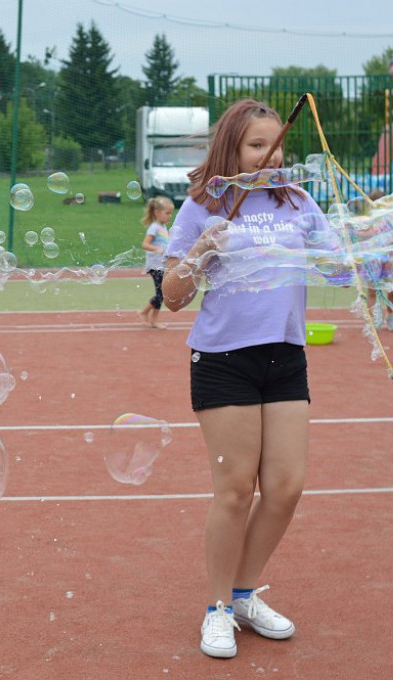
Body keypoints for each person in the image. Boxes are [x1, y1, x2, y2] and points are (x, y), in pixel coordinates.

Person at [161, 99, 327, 659]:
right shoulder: (202, 205)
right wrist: (203, 248)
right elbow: (173, 297)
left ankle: (243, 593)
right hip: (225, 360)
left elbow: (340, 262)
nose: (271, 155)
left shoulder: (299, 201)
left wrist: (371, 241)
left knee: (285, 488)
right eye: (258, 145)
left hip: (286, 357)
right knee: (235, 492)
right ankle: (217, 610)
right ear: (231, 147)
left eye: (277, 144)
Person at [360, 189, 393, 331]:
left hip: (387, 258)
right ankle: (374, 320)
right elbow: (363, 235)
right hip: (372, 259)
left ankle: (391, 317)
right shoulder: (367, 219)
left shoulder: (389, 218)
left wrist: (392, 258)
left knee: (390, 291)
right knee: (372, 291)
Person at [138, 196, 174, 328]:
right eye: (167, 213)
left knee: (161, 293)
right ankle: (150, 316)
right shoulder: (154, 228)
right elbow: (145, 244)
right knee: (161, 294)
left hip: (162, 265)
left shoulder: (163, 227)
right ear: (157, 212)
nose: (169, 216)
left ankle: (148, 315)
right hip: (155, 266)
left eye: (171, 213)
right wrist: (157, 249)